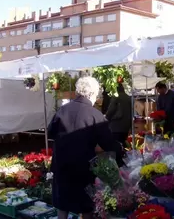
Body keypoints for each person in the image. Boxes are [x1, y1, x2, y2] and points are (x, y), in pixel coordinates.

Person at [48, 76, 124, 219]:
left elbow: (51, 133)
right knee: (86, 205)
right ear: (92, 94)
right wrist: (121, 150)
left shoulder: (62, 110)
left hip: (61, 164)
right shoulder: (95, 115)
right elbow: (108, 143)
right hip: (82, 168)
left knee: (62, 204)